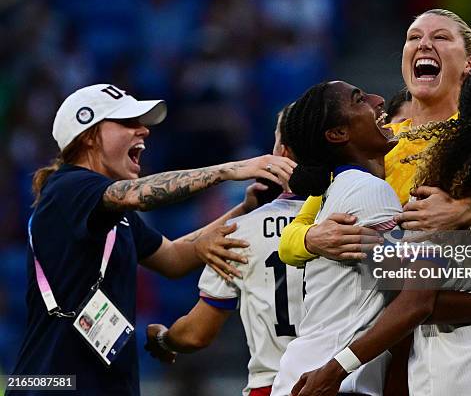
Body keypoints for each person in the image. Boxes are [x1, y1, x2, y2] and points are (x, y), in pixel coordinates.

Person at [290, 68, 471, 396]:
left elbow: (417, 302)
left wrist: (336, 368)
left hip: (446, 376)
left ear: (460, 117)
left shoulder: (432, 199)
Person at [8, 84, 295, 396]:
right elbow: (139, 195)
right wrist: (230, 170)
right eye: (127, 122)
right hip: (53, 385)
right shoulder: (69, 187)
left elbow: (174, 259)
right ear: (89, 136)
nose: (143, 130)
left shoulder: (111, 210)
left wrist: (244, 210)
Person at [277, 8, 471, 266]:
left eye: (440, 37)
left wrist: (469, 211)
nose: (423, 44)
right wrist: (312, 239)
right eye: (413, 37)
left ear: (469, 63)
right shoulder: (376, 141)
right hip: (390, 319)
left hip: (465, 313)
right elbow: (290, 240)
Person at [143, 104, 306, 396]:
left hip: (275, 386)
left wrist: (165, 340)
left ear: (281, 151)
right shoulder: (365, 217)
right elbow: (407, 297)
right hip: (351, 382)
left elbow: (195, 335)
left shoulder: (241, 231)